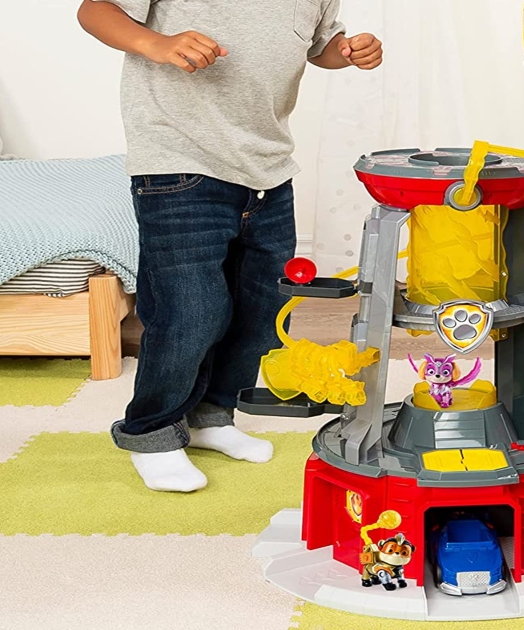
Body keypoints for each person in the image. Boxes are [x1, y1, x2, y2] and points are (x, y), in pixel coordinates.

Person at [77, 0, 383, 492]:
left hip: (267, 169)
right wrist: (157, 43)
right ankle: (151, 430)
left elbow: (320, 45)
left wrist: (345, 51)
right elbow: (95, 11)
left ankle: (211, 415)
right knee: (190, 309)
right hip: (178, 161)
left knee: (263, 308)